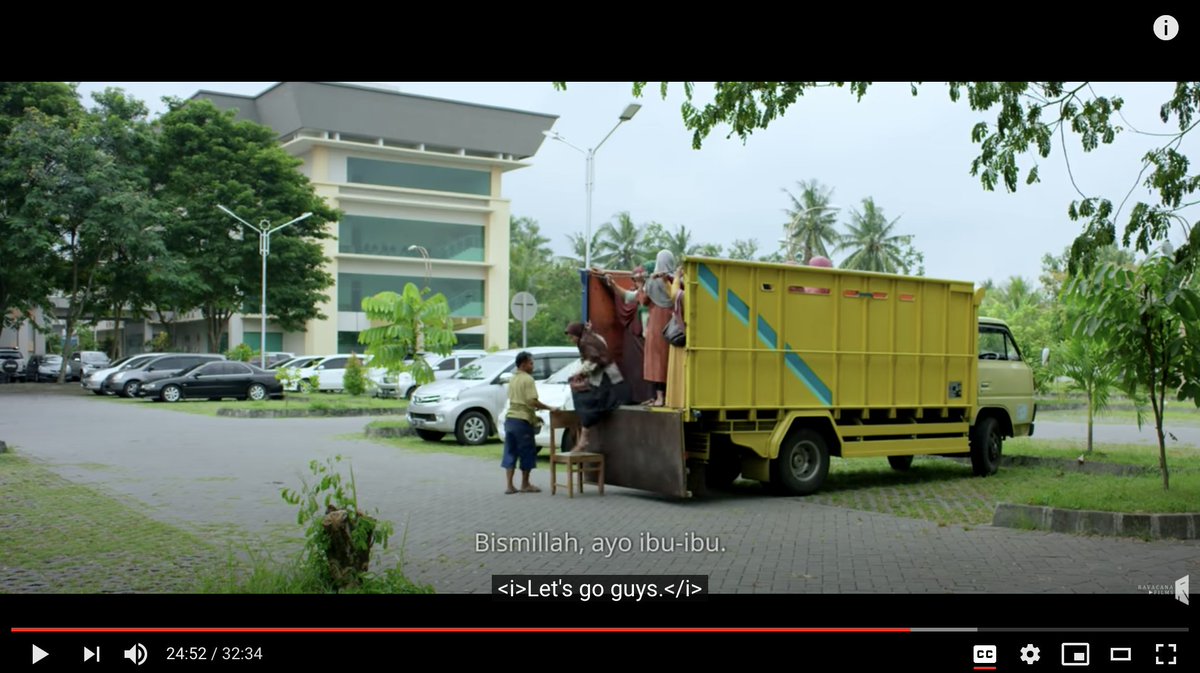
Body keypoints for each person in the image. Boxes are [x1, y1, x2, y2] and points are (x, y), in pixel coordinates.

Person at [565, 322, 629, 452]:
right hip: (608, 379)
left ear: (578, 334)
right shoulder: (593, 338)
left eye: (572, 337)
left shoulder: (586, 342)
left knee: (585, 401)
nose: (571, 340)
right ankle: (583, 437)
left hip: (606, 381)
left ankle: (583, 439)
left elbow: (592, 360)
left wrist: (579, 373)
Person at [502, 351, 556, 494]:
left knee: (510, 451)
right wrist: (548, 408)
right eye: (531, 363)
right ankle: (525, 484)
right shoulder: (528, 379)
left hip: (510, 419)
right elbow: (531, 401)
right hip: (522, 421)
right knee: (527, 452)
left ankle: (509, 485)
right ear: (524, 364)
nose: (533, 366)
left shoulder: (512, 379)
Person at [640, 250, 683, 406]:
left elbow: (643, 301)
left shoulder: (651, 281)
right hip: (674, 323)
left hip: (656, 323)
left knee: (655, 360)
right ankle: (669, 396)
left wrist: (641, 285)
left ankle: (658, 397)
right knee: (669, 360)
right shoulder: (678, 280)